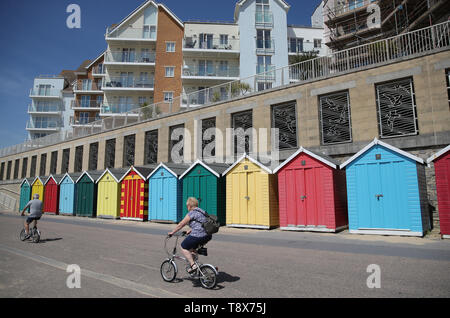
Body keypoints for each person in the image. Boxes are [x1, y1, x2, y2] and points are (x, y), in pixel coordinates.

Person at [168, 197, 212, 273]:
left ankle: (193, 264)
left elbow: (181, 224)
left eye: (187, 206)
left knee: (183, 247)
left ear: (189, 205)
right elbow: (201, 223)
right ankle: (195, 266)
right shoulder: (202, 212)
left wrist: (172, 232)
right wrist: (191, 230)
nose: (187, 207)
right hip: (207, 236)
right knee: (192, 249)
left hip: (198, 235)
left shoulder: (192, 213)